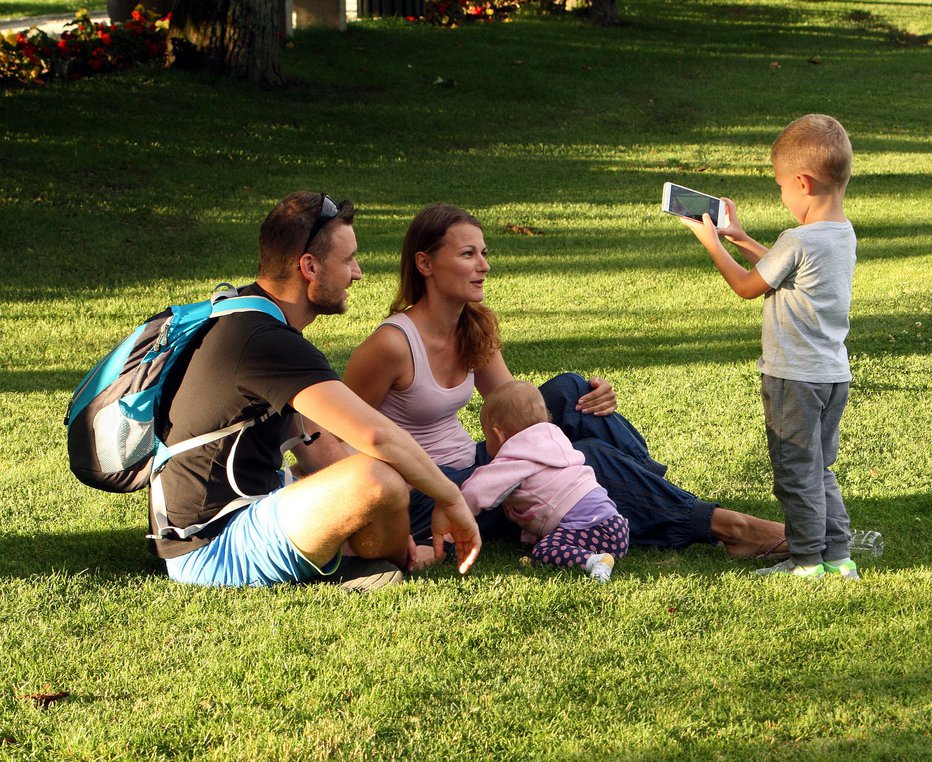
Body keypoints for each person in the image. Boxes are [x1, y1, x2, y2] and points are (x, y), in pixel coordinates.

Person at [343, 203, 788, 561]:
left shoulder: (472, 327)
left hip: (476, 462)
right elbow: (336, 436)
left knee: (573, 392)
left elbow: (515, 411)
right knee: (587, 457)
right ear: (425, 263)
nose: (484, 265)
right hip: (434, 492)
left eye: (484, 252)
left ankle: (646, 494)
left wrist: (595, 400)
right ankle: (730, 527)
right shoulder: (392, 345)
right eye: (467, 254)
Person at [151, 191, 481, 589]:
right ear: (309, 266)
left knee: (379, 476)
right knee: (382, 476)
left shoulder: (247, 314)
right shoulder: (265, 340)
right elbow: (378, 435)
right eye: (347, 260)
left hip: (233, 517)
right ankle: (391, 561)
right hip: (212, 547)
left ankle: (379, 553)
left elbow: (316, 443)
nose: (357, 273)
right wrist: (450, 497)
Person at [679, 114, 858, 579]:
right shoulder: (840, 234)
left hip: (793, 378)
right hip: (832, 375)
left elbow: (747, 287)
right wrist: (738, 237)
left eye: (781, 187)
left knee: (796, 474)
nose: (782, 196)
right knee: (821, 470)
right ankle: (838, 559)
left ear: (803, 182)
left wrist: (711, 244)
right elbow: (785, 271)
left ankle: (805, 563)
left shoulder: (797, 239)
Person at [460, 381, 629, 583]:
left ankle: (595, 561)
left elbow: (477, 489)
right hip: (616, 527)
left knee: (544, 551)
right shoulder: (555, 441)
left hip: (592, 529)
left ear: (497, 433)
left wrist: (454, 508)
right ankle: (593, 553)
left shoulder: (516, 458)